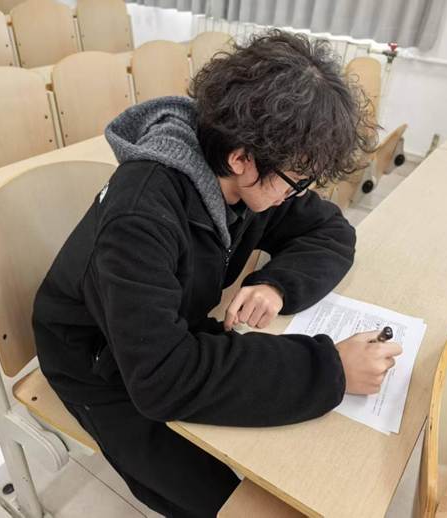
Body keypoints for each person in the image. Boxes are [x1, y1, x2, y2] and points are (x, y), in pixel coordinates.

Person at [33, 30, 402, 517]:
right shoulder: (141, 216)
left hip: (166, 334)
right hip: (98, 362)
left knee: (289, 457)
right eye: (296, 181)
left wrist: (276, 284)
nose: (297, 194)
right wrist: (330, 369)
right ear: (241, 158)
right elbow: (162, 378)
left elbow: (331, 231)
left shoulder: (253, 168)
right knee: (228, 502)